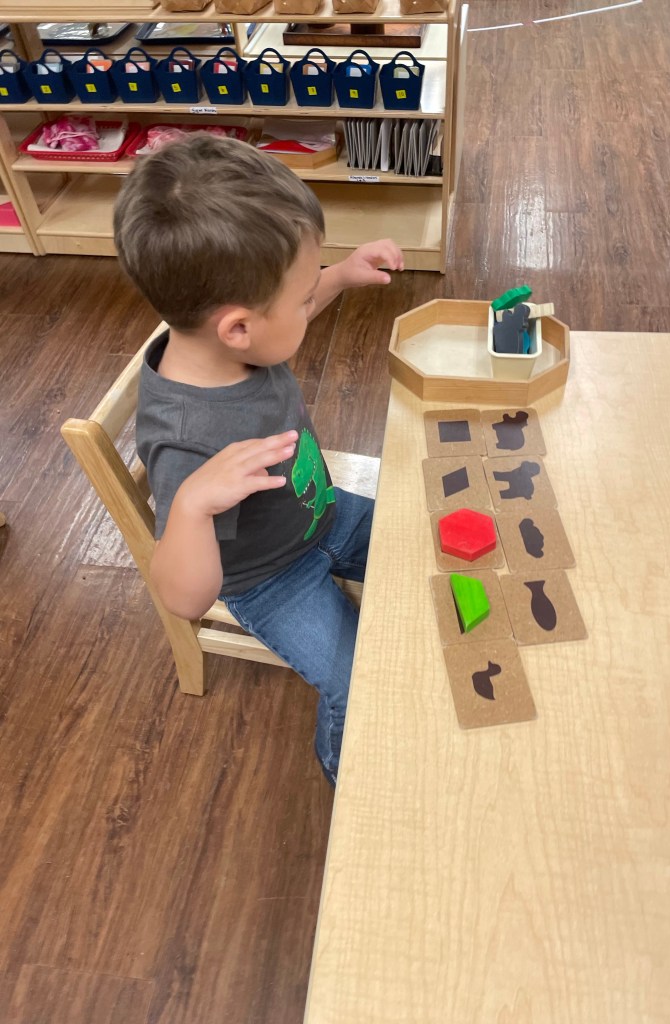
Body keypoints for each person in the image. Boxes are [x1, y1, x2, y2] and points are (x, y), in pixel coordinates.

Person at [113, 133, 404, 785]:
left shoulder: (230, 340)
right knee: (359, 681)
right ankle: (350, 777)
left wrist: (342, 274)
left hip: (322, 513)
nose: (312, 298)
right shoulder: (186, 439)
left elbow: (278, 315)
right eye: (304, 296)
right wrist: (192, 506)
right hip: (270, 580)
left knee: (422, 546)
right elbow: (182, 597)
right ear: (238, 328)